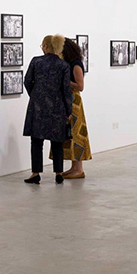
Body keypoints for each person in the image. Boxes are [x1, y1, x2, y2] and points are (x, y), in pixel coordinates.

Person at [22, 34, 72, 185]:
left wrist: (35, 95)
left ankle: (36, 173)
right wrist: (68, 110)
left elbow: (27, 80)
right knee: (57, 142)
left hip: (37, 107)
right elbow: (66, 90)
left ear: (45, 46)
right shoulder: (63, 66)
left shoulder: (36, 62)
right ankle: (58, 173)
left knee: (36, 141)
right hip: (58, 108)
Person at [53, 38, 92, 178]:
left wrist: (64, 81)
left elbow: (80, 86)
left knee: (76, 134)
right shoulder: (68, 63)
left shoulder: (76, 64)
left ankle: (79, 169)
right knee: (70, 134)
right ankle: (74, 167)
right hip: (67, 100)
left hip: (74, 102)